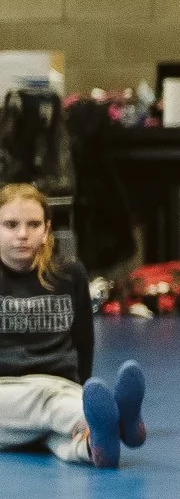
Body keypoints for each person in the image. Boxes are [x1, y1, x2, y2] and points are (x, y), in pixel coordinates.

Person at [0, 182, 145, 469]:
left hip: (60, 386)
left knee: (58, 435)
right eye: (10, 224)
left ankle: (95, 446)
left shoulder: (69, 274)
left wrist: (85, 388)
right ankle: (120, 424)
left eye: (33, 224)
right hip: (6, 391)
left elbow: (83, 340)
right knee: (52, 408)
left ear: (47, 230)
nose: (22, 234)